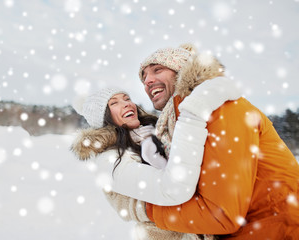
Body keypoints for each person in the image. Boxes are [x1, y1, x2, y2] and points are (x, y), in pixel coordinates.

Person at [136, 43, 299, 239]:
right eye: (143, 77)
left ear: (180, 70)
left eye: (157, 69)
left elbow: (222, 215)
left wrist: (146, 210)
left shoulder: (221, 107)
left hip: (279, 230)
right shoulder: (183, 122)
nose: (148, 81)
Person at [71, 83, 241, 239]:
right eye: (114, 103)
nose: (127, 104)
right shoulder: (109, 160)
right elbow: (172, 188)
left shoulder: (157, 132)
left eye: (127, 98)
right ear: (104, 119)